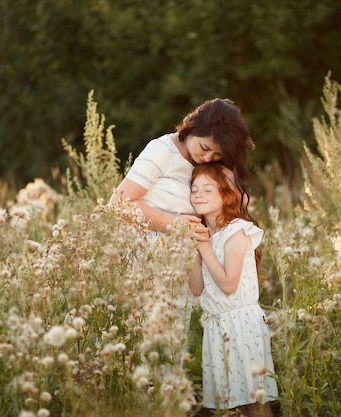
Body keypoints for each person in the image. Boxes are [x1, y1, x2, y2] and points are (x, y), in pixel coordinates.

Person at [189, 164, 278, 417]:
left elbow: (228, 285)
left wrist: (204, 247)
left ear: (226, 194)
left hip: (241, 324)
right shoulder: (207, 235)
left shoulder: (236, 231)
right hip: (217, 326)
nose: (198, 194)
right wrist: (194, 248)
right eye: (194, 189)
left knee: (256, 403)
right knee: (237, 404)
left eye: (208, 189)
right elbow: (196, 288)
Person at [109, 98, 254, 241]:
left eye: (217, 154)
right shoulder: (162, 150)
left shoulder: (212, 165)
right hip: (147, 256)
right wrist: (174, 224)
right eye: (204, 148)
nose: (208, 158)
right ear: (192, 128)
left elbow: (238, 204)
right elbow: (119, 203)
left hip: (190, 258)